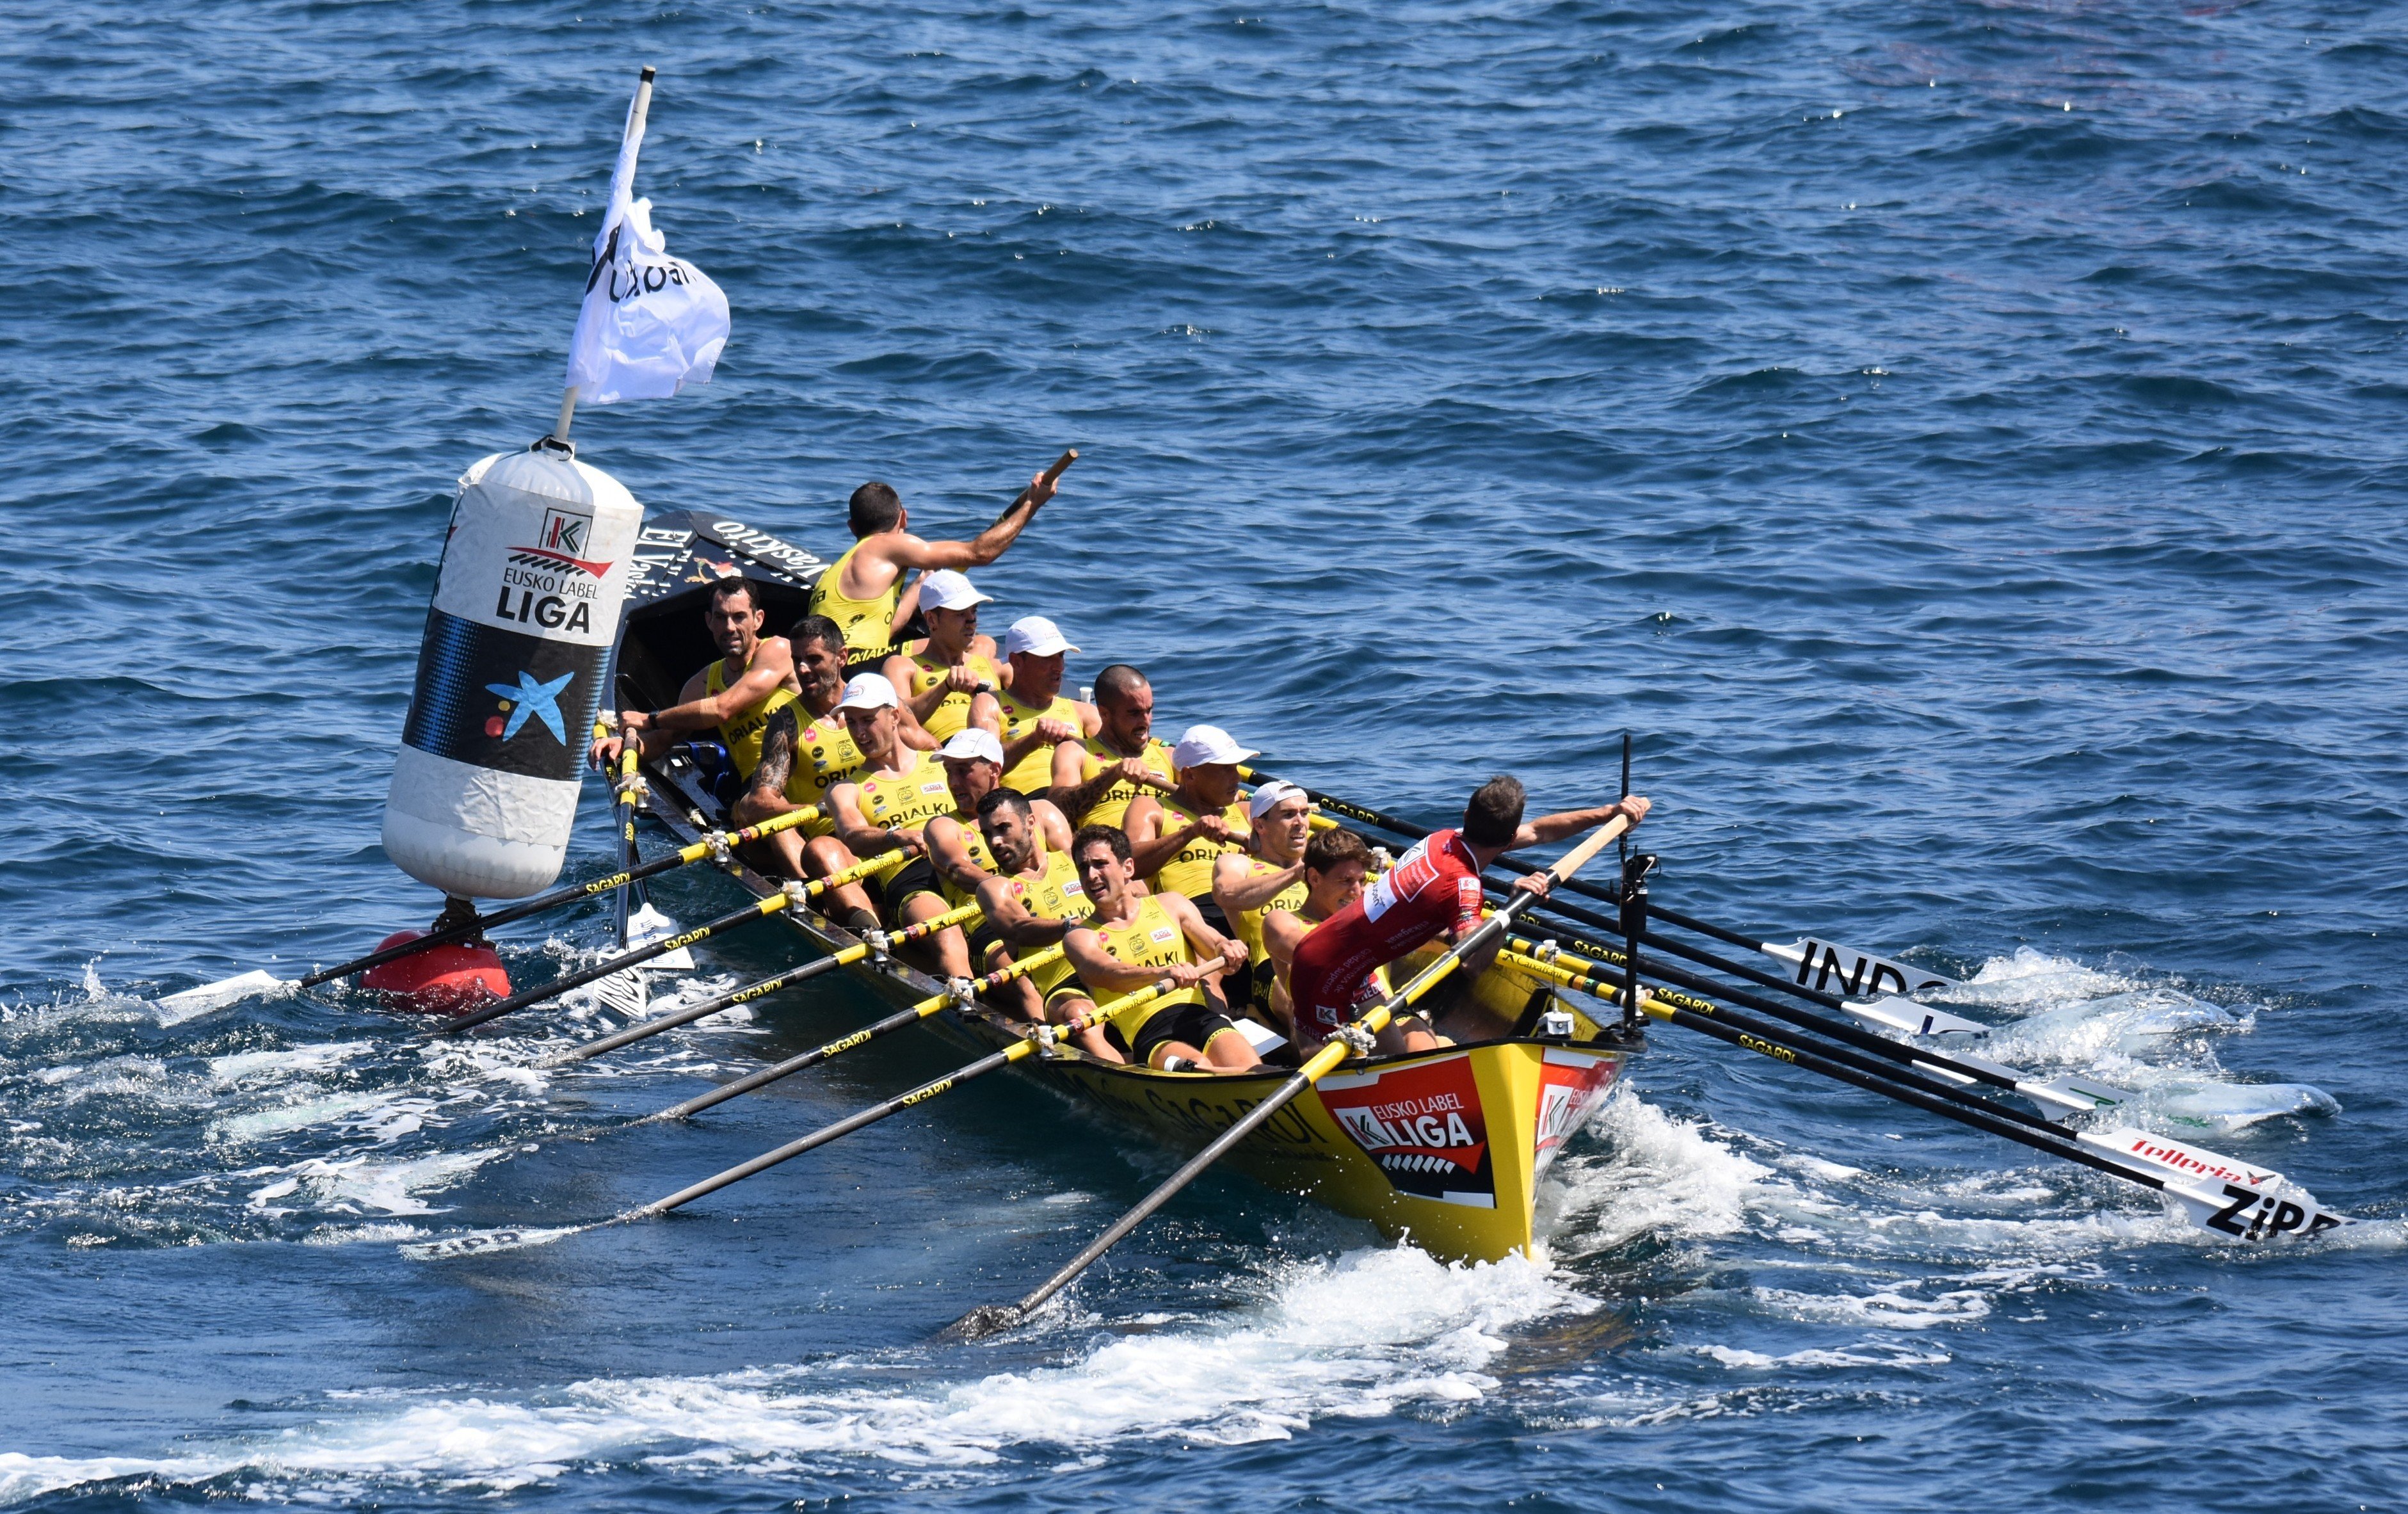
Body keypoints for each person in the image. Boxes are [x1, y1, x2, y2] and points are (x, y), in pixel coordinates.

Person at [1285, 776, 1650, 1056]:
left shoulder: (1444, 838)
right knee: (1325, 1067)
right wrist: (1511, 908)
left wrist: (1608, 814)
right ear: (1507, 837)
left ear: (1466, 818)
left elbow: (1539, 831)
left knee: (1396, 1059)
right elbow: (1473, 964)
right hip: (1322, 970)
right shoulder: (1463, 886)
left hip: (1353, 966)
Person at [730, 614, 925, 934]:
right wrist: (816, 809)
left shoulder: (879, 701)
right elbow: (756, 804)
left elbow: (931, 751)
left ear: (842, 657)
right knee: (781, 826)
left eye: (814, 659)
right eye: (797, 660)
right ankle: (838, 915)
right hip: (833, 843)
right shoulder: (787, 722)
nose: (803, 669)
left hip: (890, 823)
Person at [808, 465, 1064, 667]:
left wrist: (921, 582)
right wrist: (1033, 504)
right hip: (855, 661)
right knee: (979, 646)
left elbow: (887, 628)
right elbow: (980, 553)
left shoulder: (836, 571)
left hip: (834, 662)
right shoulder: (886, 544)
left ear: (852, 527)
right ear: (903, 518)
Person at [1056, 825, 1258, 1072]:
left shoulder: (1171, 903)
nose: (1091, 875)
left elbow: (1213, 945)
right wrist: (1163, 973)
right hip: (1152, 1034)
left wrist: (1227, 948)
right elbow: (1107, 973)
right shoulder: (1079, 936)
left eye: (1100, 864)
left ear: (1128, 868)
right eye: (1083, 868)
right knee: (1202, 1069)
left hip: (1199, 1016)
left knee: (1251, 1068)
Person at [824, 673, 979, 978]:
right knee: (947, 934)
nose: (860, 732)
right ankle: (968, 1000)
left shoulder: (940, 763)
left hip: (967, 858)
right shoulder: (845, 789)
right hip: (910, 875)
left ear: (895, 716)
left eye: (868, 720)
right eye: (851, 723)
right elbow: (853, 835)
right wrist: (897, 836)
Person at [590, 577, 796, 786]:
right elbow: (663, 739)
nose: (729, 627)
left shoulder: (779, 650)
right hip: (758, 787)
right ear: (709, 621)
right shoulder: (702, 684)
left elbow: (723, 708)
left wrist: (648, 719)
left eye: (739, 617)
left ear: (758, 620)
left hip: (802, 776)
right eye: (721, 617)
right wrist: (626, 745)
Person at [968, 786, 1092, 1024]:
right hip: (1067, 985)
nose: (995, 842)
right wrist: (1068, 926)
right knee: (1078, 1014)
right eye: (987, 834)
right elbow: (1018, 928)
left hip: (1115, 960)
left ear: (1030, 823)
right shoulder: (995, 887)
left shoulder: (1074, 858)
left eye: (1003, 828)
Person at [923, 727, 1072, 915]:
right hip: (989, 921)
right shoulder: (943, 826)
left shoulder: (1043, 811)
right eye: (949, 772)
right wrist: (1010, 891)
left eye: (963, 771)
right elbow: (958, 870)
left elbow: (1072, 866)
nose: (953, 782)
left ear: (994, 770)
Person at [1123, 723, 1254, 926]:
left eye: (1236, 768)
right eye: (1225, 769)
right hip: (1193, 912)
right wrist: (1191, 832)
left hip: (1249, 905)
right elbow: (1129, 864)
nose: (1237, 778)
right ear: (1190, 775)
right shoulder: (1152, 808)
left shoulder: (1247, 812)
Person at [1259, 824, 1379, 1039]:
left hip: (1385, 1013)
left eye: (1361, 881)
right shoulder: (1282, 921)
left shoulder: (1368, 913)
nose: (1357, 891)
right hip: (1331, 1031)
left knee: (1422, 1041)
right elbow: (1314, 954)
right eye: (1346, 881)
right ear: (1314, 878)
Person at [1210, 779, 1313, 1025]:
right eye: (1288, 815)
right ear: (1260, 825)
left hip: (1330, 953)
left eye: (1305, 813)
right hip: (1272, 968)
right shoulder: (1239, 864)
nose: (1300, 822)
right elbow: (1226, 894)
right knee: (1305, 1004)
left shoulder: (1321, 866)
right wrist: (1295, 874)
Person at [881, 569, 1005, 742]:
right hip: (943, 751)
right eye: (961, 613)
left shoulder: (996, 668)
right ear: (932, 620)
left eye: (974, 611)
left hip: (997, 748)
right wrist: (945, 687)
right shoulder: (903, 666)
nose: (972, 621)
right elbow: (898, 722)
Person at [1048, 663, 1175, 830]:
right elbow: (1058, 811)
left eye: (1149, 710)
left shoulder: (1170, 756)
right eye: (1135, 713)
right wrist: (1114, 774)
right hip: (1107, 843)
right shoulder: (1075, 752)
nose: (1146, 721)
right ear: (1104, 714)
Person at [991, 615, 1098, 795]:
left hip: (1074, 801)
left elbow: (1106, 760)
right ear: (1016, 662)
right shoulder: (992, 703)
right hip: (1022, 802)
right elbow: (983, 768)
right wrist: (1034, 740)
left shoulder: (1085, 712)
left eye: (1061, 656)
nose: (1060, 667)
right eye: (1048, 658)